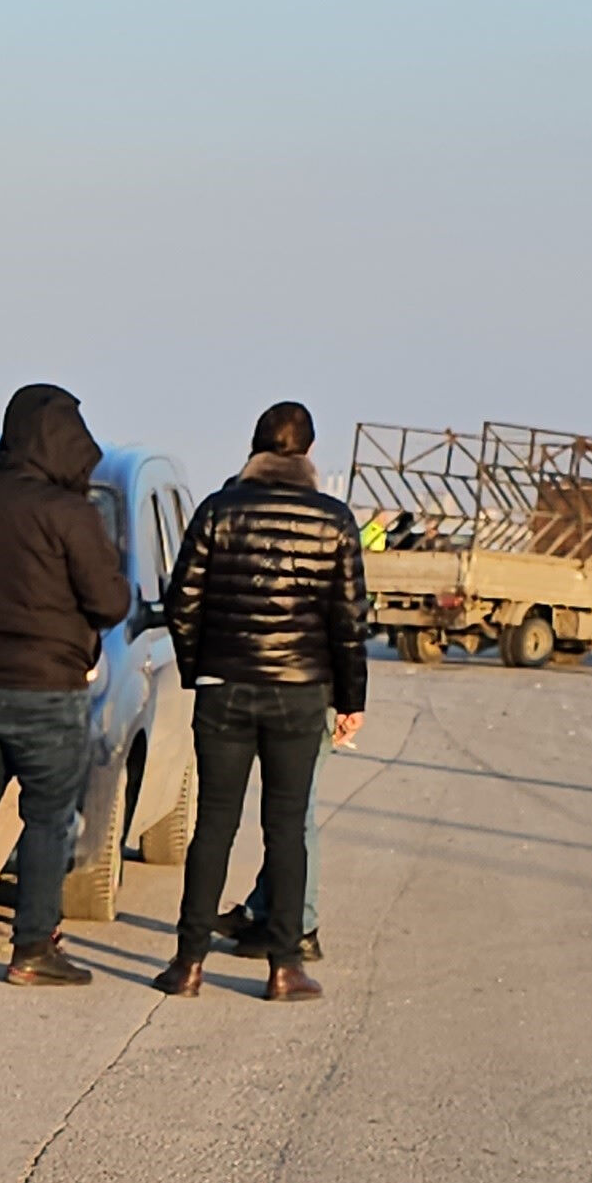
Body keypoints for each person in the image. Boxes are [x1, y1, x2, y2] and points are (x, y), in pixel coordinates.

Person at [154, 399, 364, 1003]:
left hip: (225, 691)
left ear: (255, 448)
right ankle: (283, 968)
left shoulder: (219, 510)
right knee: (286, 829)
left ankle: (188, 964)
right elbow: (349, 620)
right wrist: (350, 699)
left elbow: (181, 602)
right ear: (308, 453)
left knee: (214, 826)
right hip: (300, 696)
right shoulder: (334, 520)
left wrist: (201, 669)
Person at [0, 384, 129, 986]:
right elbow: (110, 600)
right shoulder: (70, 513)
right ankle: (34, 948)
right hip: (50, 690)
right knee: (48, 819)